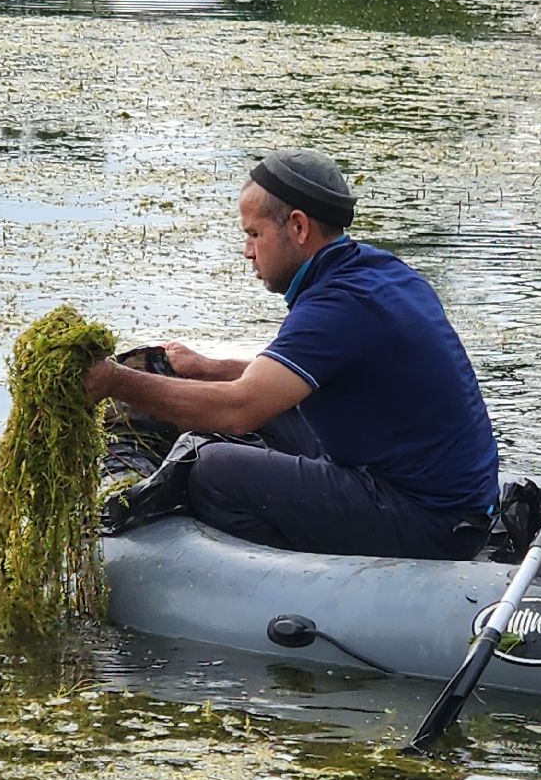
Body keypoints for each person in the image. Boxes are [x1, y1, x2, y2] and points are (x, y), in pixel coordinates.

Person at [85, 148, 499, 560]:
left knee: (207, 470)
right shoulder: (378, 272)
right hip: (448, 498)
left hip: (430, 520)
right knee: (275, 414)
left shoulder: (336, 305)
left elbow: (239, 410)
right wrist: (210, 369)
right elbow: (289, 381)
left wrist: (113, 382)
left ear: (298, 227)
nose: (248, 252)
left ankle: (290, 572)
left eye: (254, 234)